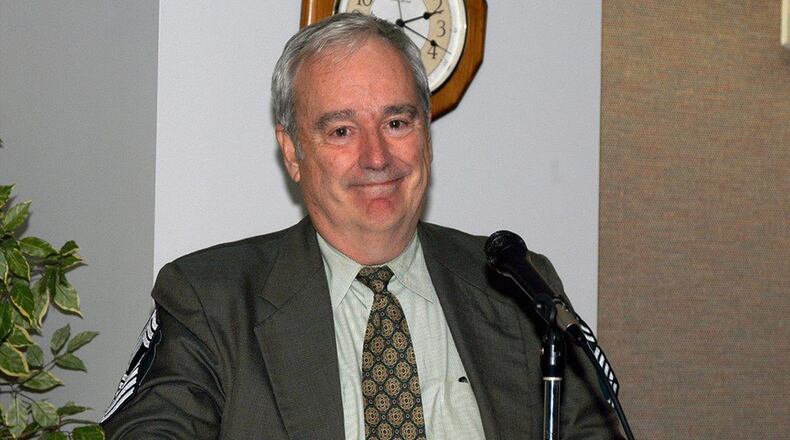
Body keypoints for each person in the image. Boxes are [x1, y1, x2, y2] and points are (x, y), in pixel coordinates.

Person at [101, 13, 623, 440]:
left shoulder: (516, 286)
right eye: (342, 130)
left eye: (397, 123)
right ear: (293, 152)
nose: (376, 158)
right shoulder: (210, 300)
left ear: (426, 137)